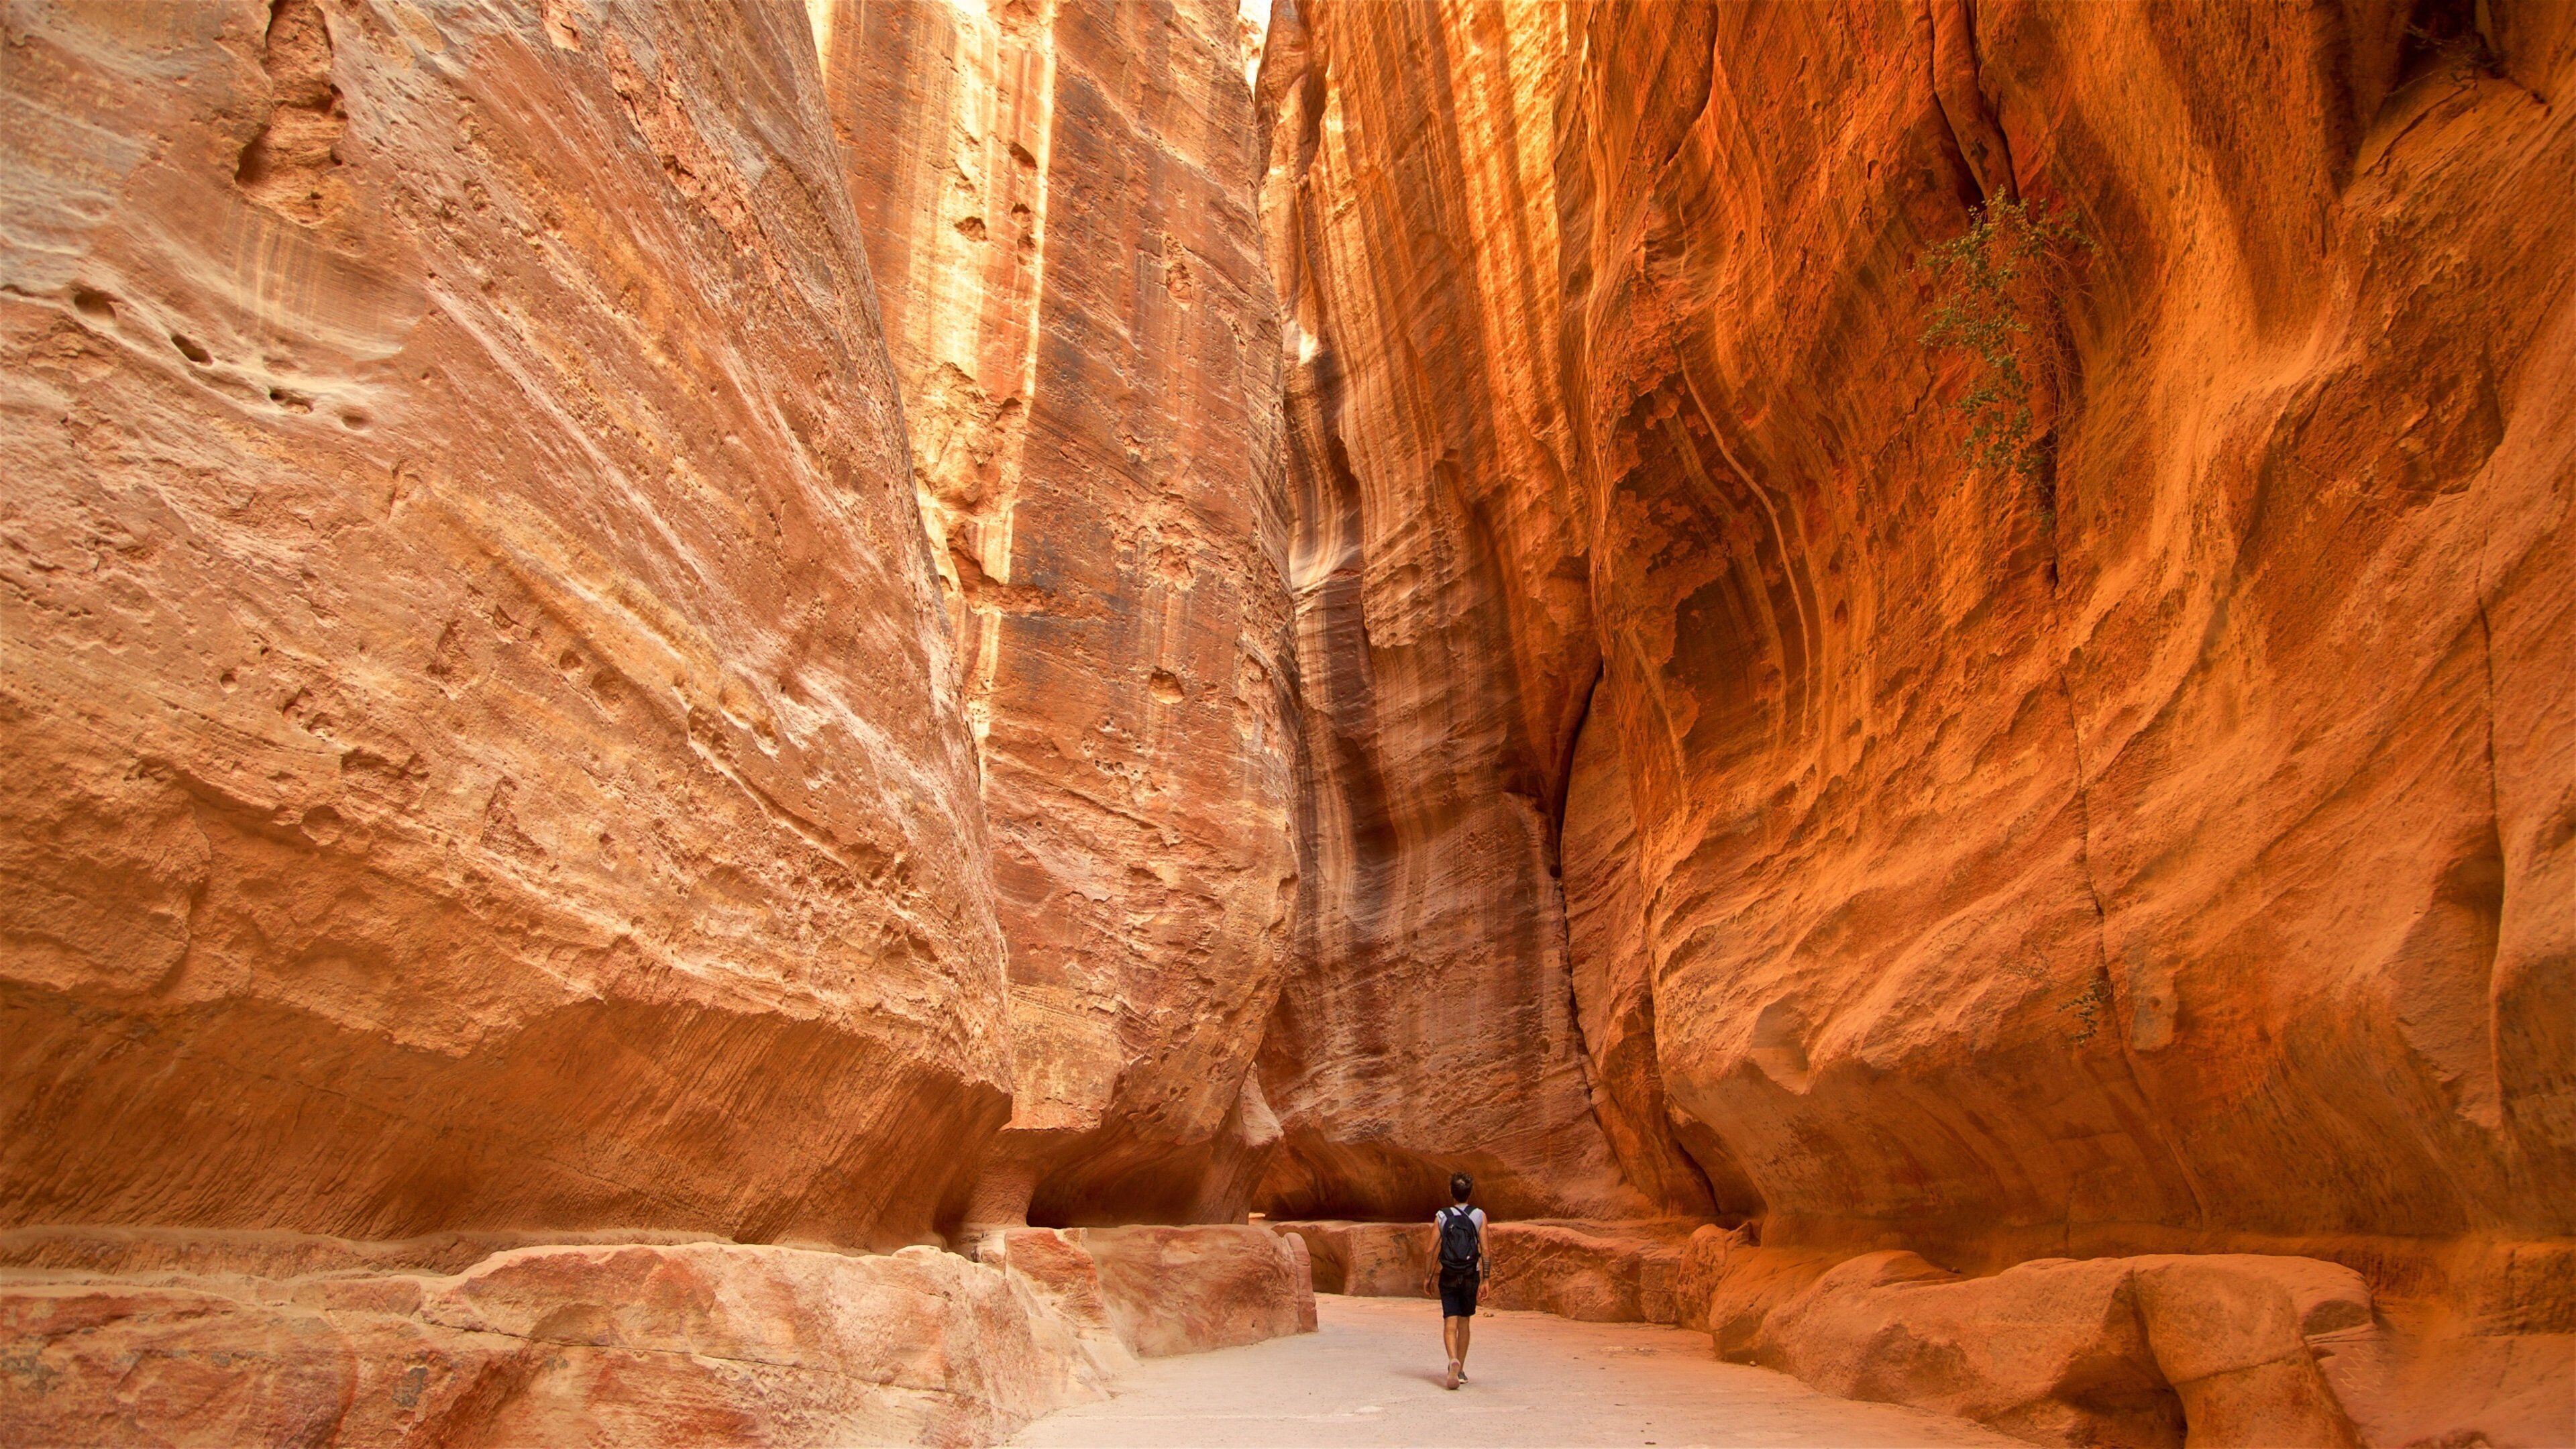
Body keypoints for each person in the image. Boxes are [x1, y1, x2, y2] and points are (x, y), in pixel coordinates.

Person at [1426, 1172, 1486, 1390]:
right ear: (1470, 1193)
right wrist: (1486, 1279)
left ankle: (1453, 1358)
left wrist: (1428, 1276)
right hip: (1471, 1273)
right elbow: (1486, 1250)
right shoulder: (1479, 1215)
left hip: (1449, 1273)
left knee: (1450, 1322)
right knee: (1465, 1322)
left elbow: (1430, 1249)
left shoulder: (1442, 1216)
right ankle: (1460, 1371)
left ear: (1451, 1192)